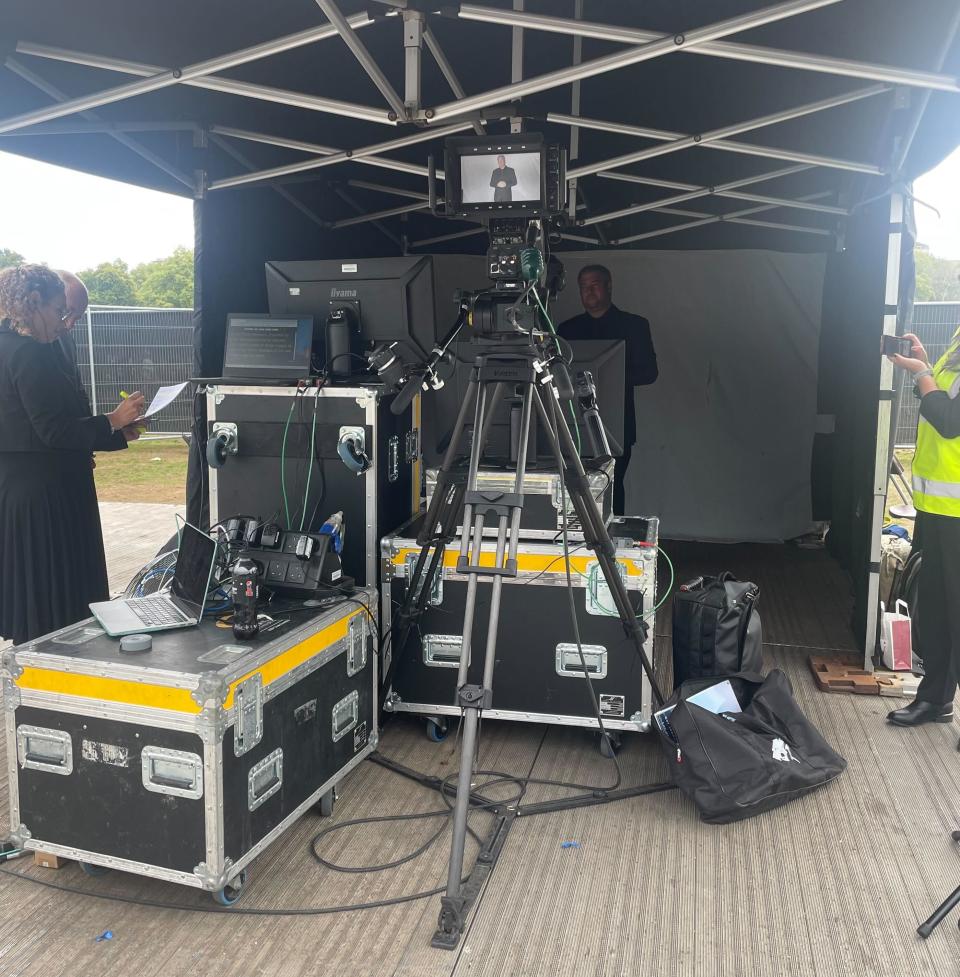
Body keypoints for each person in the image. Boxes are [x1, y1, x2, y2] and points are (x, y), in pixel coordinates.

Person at [0, 264, 146, 645]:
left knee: (38, 603)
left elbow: (37, 428)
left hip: (28, 491)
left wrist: (114, 432)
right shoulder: (29, 352)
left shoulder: (11, 345)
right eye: (59, 311)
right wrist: (113, 419)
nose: (64, 323)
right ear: (33, 304)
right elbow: (53, 430)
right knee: (56, 605)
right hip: (47, 500)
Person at [886, 328, 960, 733]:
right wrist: (927, 367)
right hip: (937, 505)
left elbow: (950, 421)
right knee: (934, 607)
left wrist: (920, 373)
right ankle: (935, 698)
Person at [558, 264, 658, 514]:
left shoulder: (634, 326)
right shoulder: (567, 330)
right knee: (574, 488)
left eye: (594, 285)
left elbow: (649, 373)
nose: (588, 292)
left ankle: (612, 543)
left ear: (609, 286)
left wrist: (611, 378)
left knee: (611, 485)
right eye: (583, 287)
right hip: (574, 425)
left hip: (617, 424)